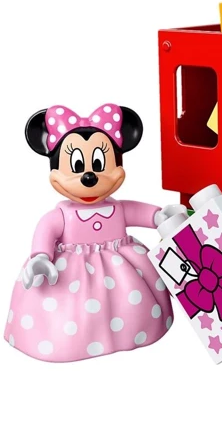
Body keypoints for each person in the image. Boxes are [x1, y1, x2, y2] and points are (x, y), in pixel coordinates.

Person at [4, 103, 174, 362]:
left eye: (98, 164)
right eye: (77, 166)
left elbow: (139, 212)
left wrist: (159, 216)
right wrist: (40, 257)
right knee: (70, 312)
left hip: (123, 266)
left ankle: (137, 329)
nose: (89, 177)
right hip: (71, 274)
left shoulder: (117, 208)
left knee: (128, 303)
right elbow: (45, 231)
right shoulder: (61, 215)